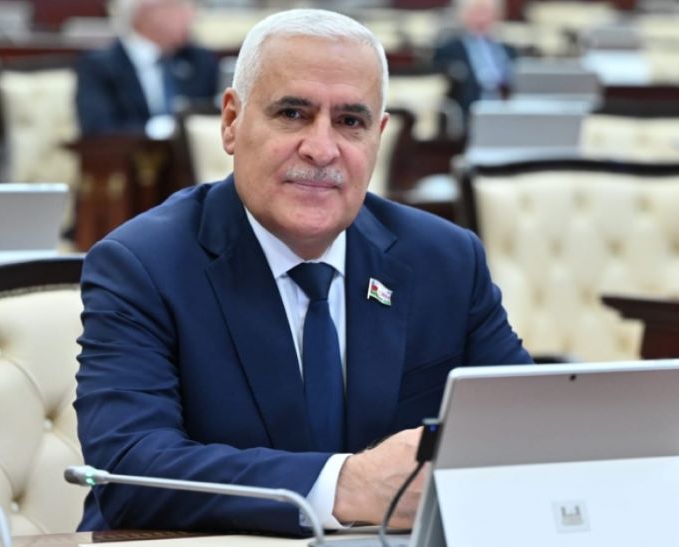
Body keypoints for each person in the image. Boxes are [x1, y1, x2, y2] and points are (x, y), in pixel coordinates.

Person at [74, 8, 532, 537]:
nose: (321, 149)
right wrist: (345, 486)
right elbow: (128, 469)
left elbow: (528, 428)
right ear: (231, 121)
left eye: (350, 122)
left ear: (379, 135)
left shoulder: (445, 259)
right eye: (292, 113)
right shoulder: (143, 264)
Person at [74, 0, 218, 136]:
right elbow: (98, 130)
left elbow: (215, 115)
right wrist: (154, 131)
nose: (191, 16)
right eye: (179, 6)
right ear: (148, 13)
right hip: (131, 152)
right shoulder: (99, 67)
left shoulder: (198, 60)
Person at [432, 0, 517, 124]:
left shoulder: (509, 50)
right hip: (469, 115)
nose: (482, 18)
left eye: (487, 12)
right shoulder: (449, 51)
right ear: (463, 15)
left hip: (508, 112)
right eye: (477, 12)